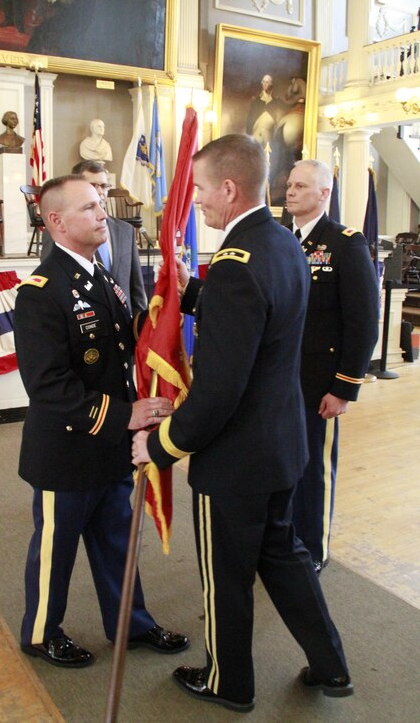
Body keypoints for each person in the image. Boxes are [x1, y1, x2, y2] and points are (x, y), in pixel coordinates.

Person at [132, 134, 354, 712]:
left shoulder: (236, 261)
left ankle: (228, 682)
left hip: (235, 462)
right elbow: (261, 317)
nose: (197, 202)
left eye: (202, 190)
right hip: (282, 446)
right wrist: (193, 291)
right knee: (283, 557)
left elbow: (221, 388)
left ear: (229, 189)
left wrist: (162, 445)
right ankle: (332, 666)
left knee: (225, 579)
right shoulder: (282, 243)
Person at [14, 175, 189, 667]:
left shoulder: (101, 276)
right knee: (56, 549)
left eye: (100, 205)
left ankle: (130, 625)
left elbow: (125, 338)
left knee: (116, 541)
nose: (101, 215)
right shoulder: (41, 292)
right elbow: (48, 386)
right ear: (56, 222)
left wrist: (166, 301)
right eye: (90, 207)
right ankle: (41, 632)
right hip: (67, 451)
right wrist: (124, 414)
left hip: (110, 446)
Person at [286, 159, 379, 572]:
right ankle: (285, 539)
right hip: (281, 382)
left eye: (301, 186)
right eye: (289, 185)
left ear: (324, 193)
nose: (290, 192)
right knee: (285, 464)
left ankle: (313, 549)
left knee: (314, 472)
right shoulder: (281, 240)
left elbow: (363, 322)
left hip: (318, 383)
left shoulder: (345, 243)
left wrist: (344, 387)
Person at [41, 161, 147, 316]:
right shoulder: (59, 230)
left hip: (125, 328)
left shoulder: (125, 230)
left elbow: (136, 289)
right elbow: (53, 281)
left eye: (103, 186)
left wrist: (142, 332)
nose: (99, 191)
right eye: (92, 185)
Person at [245, 73, 285, 147]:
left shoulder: (277, 102)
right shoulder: (256, 102)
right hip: (256, 135)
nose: (264, 84)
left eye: (267, 82)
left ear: (271, 84)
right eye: (263, 82)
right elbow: (249, 122)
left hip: (270, 137)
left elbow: (279, 122)